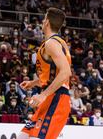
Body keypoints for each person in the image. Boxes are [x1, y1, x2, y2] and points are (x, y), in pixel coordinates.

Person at [19, 8, 72, 139]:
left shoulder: (51, 43)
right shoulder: (59, 43)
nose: (42, 21)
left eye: (44, 19)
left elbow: (66, 72)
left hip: (57, 98)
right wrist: (34, 83)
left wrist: (43, 95)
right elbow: (53, 75)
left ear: (47, 22)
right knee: (22, 137)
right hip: (51, 97)